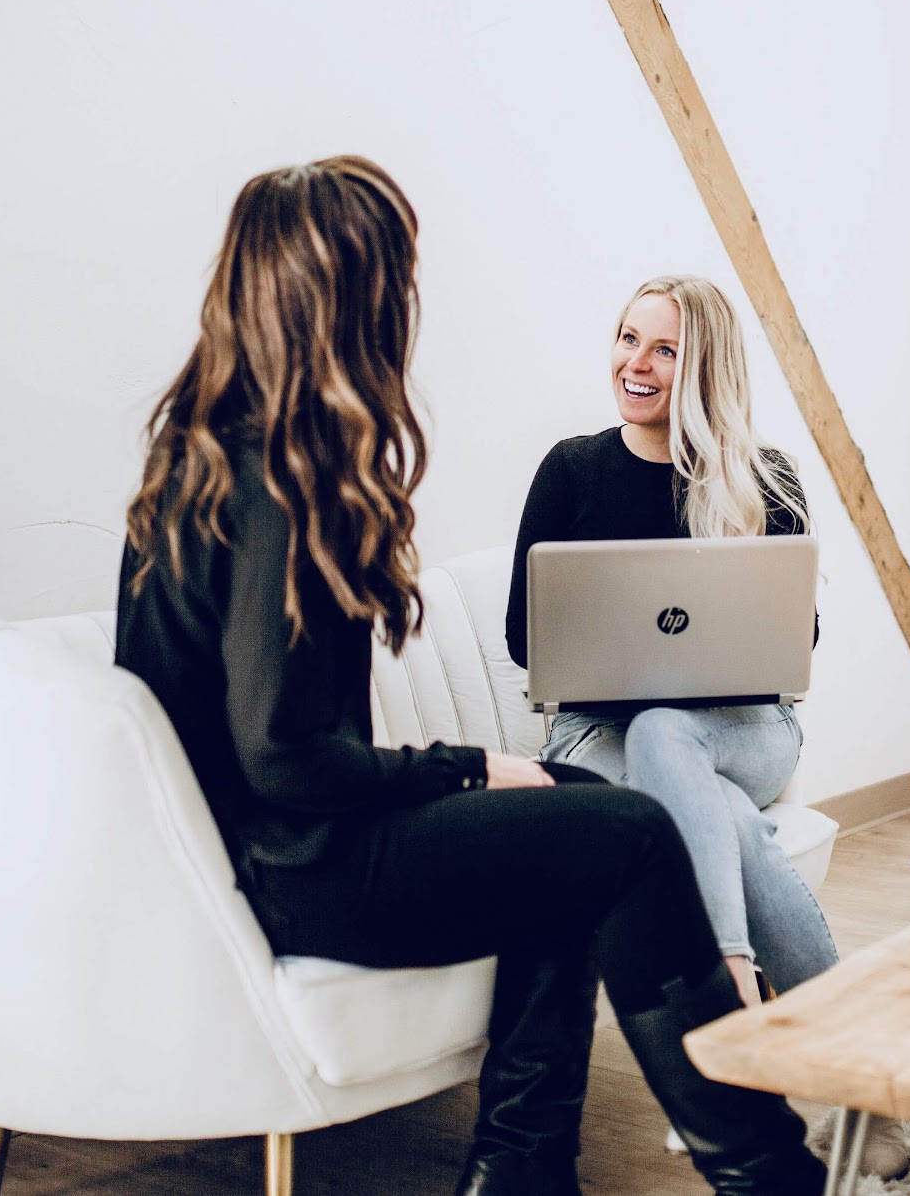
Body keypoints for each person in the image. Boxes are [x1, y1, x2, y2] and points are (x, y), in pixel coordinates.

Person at [113, 161, 827, 1196]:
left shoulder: (214, 449)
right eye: (394, 279)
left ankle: (524, 1168)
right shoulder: (278, 475)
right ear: (346, 295)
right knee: (626, 832)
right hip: (299, 867)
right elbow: (282, 754)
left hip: (280, 851)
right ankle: (770, 1174)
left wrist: (476, 773)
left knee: (571, 807)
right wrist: (459, 767)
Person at [505, 274, 909, 1180]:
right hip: (594, 737)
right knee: (708, 797)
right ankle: (860, 1089)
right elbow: (523, 638)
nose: (636, 363)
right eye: (627, 338)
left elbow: (795, 641)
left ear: (703, 367)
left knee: (669, 730)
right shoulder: (571, 469)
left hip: (744, 727)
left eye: (664, 348)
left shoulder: (763, 476)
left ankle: (725, 1019)